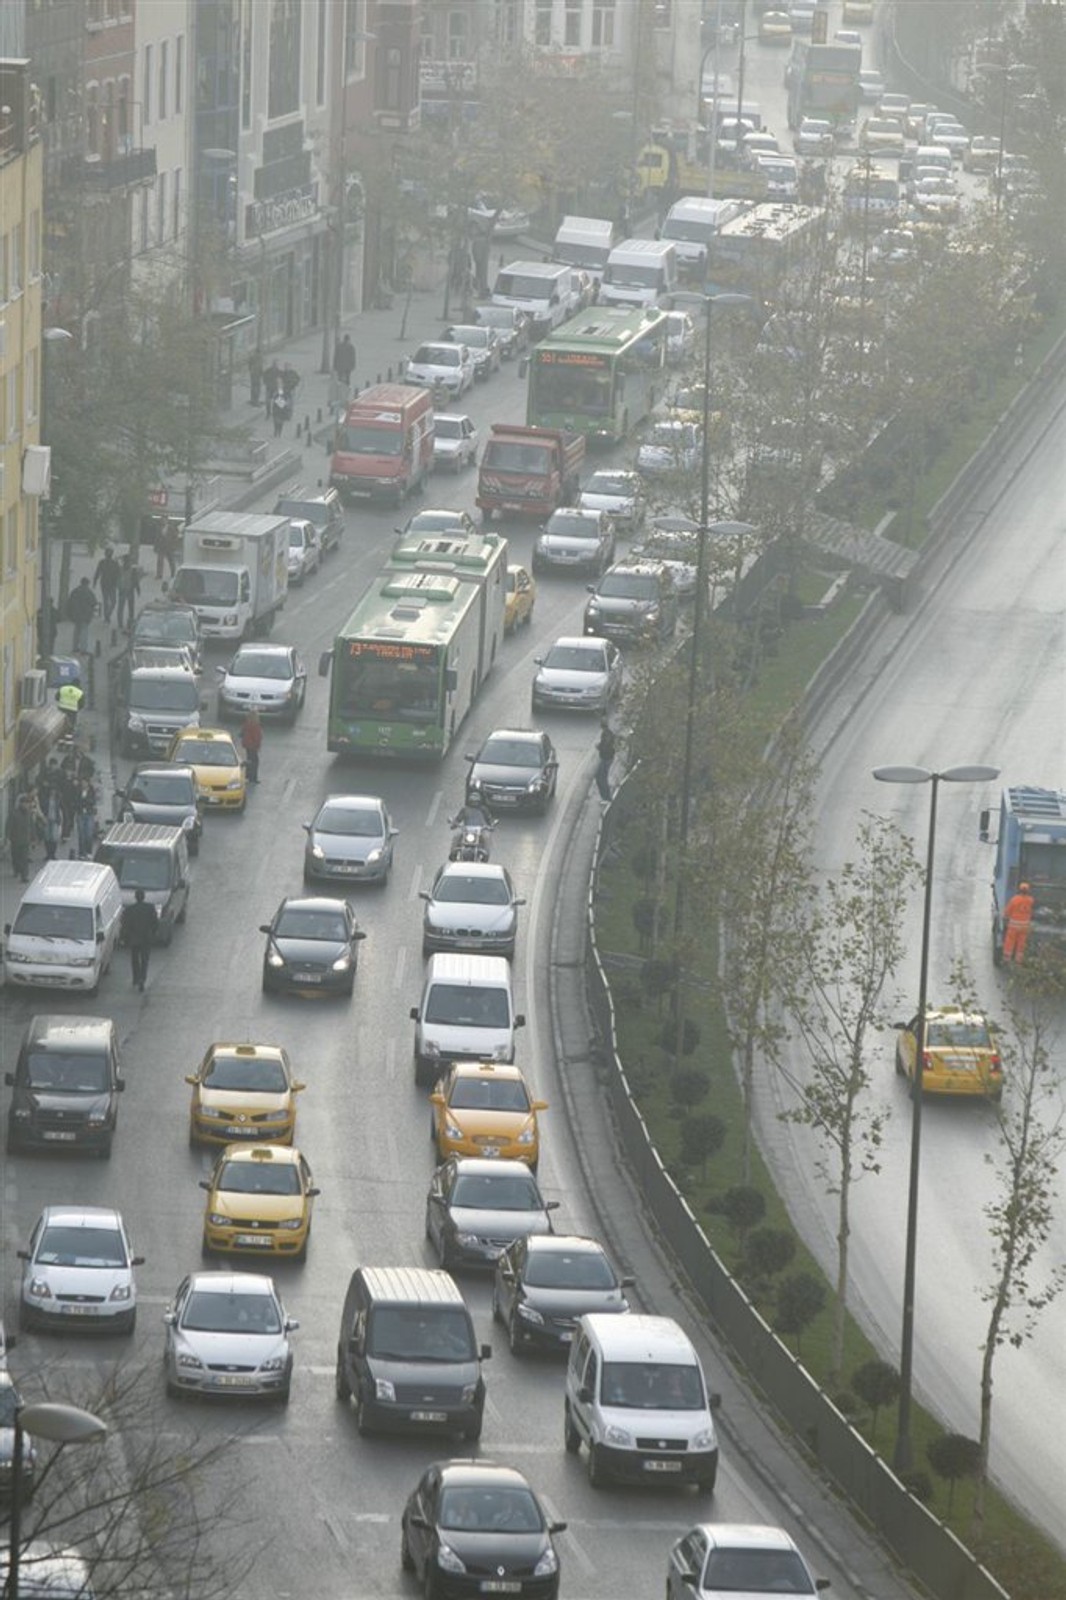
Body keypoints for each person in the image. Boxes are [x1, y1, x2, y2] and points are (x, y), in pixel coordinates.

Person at [122, 887, 158, 991]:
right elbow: (155, 923)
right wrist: (153, 933)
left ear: (135, 897)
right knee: (144, 960)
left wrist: (124, 937)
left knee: (135, 960)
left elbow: (125, 925)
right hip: (146, 938)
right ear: (144, 897)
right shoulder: (150, 908)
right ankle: (142, 978)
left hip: (134, 939)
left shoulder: (130, 910)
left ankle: (136, 978)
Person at [1003, 881, 1035, 964]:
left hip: (1013, 926)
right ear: (1028, 891)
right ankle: (1018, 959)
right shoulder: (1030, 900)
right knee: (1021, 942)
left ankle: (1007, 958)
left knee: (1010, 941)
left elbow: (1007, 911)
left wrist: (1005, 917)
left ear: (1019, 890)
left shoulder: (1014, 899)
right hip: (1024, 926)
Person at [6, 793, 35, 882]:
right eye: (25, 803)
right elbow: (9, 826)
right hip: (15, 840)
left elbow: (32, 826)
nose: (27, 805)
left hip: (25, 840)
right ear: (20, 803)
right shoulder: (14, 813)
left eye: (28, 803)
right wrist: (8, 838)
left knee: (24, 859)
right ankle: (16, 869)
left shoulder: (28, 814)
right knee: (16, 857)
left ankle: (24, 876)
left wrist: (33, 839)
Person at [67, 577, 98, 654]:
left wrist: (70, 614)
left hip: (76, 615)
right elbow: (94, 602)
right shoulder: (89, 592)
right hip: (85, 615)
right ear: (87, 583)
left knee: (76, 631)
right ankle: (83, 649)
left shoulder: (75, 591)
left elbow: (69, 603)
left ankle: (75, 647)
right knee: (84, 632)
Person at [93, 546, 120, 623]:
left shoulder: (115, 563)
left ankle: (108, 614)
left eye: (110, 553)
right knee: (106, 601)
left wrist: (118, 583)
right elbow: (97, 572)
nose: (109, 554)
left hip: (112, 585)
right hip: (104, 584)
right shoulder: (102, 562)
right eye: (107, 553)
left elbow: (119, 574)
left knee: (113, 601)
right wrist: (95, 581)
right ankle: (106, 617)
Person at [117, 554, 142, 632]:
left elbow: (135, 580)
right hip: (122, 590)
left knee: (130, 607)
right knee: (121, 607)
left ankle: (130, 622)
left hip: (130, 590)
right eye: (127, 561)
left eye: (129, 562)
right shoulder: (120, 569)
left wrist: (138, 589)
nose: (128, 563)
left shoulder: (132, 570)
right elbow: (117, 579)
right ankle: (120, 622)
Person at [595, 717, 617, 803]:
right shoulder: (607, 732)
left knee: (601, 778)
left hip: (606, 758)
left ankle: (606, 798)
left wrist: (599, 747)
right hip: (607, 758)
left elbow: (606, 746)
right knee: (601, 777)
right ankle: (605, 797)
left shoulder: (606, 733)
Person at [240, 709, 262, 784]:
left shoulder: (247, 724)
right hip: (252, 746)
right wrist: (257, 745)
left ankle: (248, 776)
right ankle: (253, 778)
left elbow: (242, 733)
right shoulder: (255, 725)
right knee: (255, 761)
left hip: (247, 745)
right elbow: (257, 737)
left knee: (250, 760)